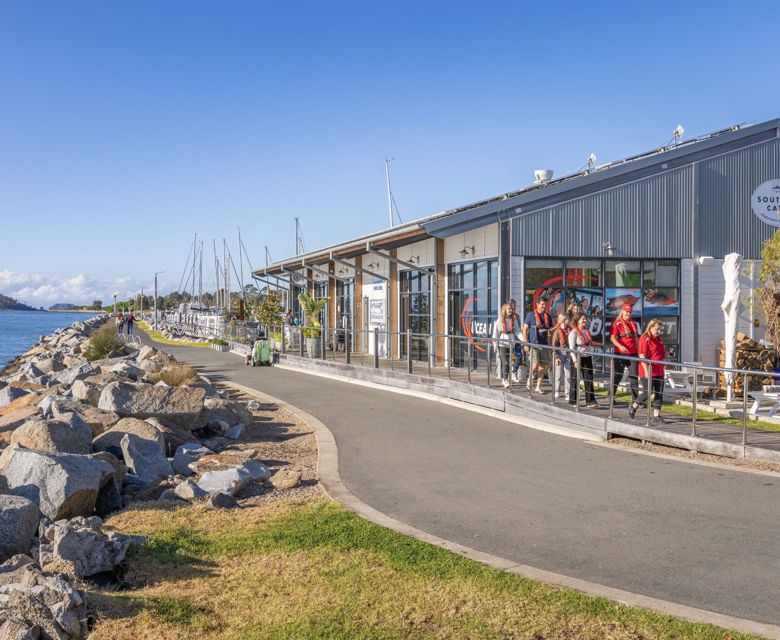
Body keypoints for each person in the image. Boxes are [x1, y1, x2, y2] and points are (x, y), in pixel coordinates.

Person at [629, 318, 666, 423]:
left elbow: (660, 353)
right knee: (648, 392)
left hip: (659, 369)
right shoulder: (644, 338)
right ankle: (634, 405)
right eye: (657, 329)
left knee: (659, 392)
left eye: (660, 329)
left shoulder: (658, 338)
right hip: (648, 369)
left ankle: (656, 416)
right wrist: (646, 370)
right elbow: (642, 355)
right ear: (650, 327)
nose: (658, 331)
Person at [609, 303, 640, 403]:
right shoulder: (617, 323)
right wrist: (620, 346)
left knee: (634, 376)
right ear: (622, 311)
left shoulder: (634, 324)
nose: (628, 314)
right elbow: (612, 338)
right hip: (620, 354)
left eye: (630, 312)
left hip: (632, 354)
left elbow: (636, 339)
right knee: (618, 375)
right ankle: (611, 396)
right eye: (627, 312)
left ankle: (636, 400)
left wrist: (639, 352)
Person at [523, 298, 553, 394]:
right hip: (534, 344)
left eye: (545, 304)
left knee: (543, 367)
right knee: (535, 364)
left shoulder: (547, 316)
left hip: (544, 345)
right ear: (537, 304)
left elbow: (550, 331)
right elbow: (524, 330)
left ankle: (538, 386)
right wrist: (526, 343)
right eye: (542, 304)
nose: (544, 306)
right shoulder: (531, 315)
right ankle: (529, 379)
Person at [568, 314, 597, 407]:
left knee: (589, 379)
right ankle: (573, 401)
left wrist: (591, 354)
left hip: (587, 357)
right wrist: (575, 361)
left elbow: (589, 345)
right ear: (577, 320)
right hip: (577, 357)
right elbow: (571, 348)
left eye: (585, 319)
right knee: (575, 379)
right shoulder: (573, 333)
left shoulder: (586, 331)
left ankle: (590, 401)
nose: (585, 321)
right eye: (583, 319)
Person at [492, 303, 523, 388]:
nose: (510, 310)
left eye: (511, 309)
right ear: (504, 310)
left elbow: (518, 331)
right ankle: (505, 380)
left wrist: (524, 340)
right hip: (502, 344)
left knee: (509, 363)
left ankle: (505, 378)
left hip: (511, 344)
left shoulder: (514, 320)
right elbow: (495, 334)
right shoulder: (499, 320)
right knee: (505, 362)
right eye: (508, 309)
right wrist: (495, 344)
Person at [550, 313, 572, 401]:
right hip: (559, 353)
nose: (567, 321)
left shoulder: (569, 330)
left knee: (568, 375)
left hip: (568, 354)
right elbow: (553, 345)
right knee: (558, 374)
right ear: (562, 320)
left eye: (567, 319)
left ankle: (567, 393)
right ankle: (556, 390)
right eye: (565, 319)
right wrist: (556, 357)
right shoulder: (557, 331)